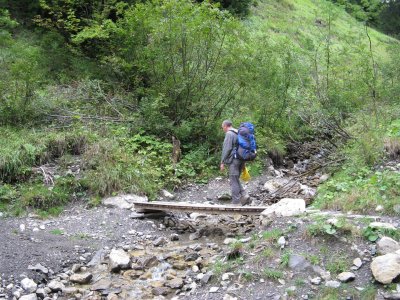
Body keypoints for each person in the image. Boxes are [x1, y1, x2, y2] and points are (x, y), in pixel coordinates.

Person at [220, 120, 251, 206]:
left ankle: (236, 203)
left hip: (234, 160)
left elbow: (227, 149)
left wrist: (222, 162)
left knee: (233, 180)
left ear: (226, 126)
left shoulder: (229, 134)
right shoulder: (238, 132)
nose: (223, 129)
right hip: (241, 159)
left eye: (223, 127)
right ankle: (244, 195)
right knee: (236, 179)